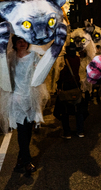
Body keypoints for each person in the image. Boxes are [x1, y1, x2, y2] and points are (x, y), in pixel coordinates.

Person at [0, 35, 49, 174]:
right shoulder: (10, 57)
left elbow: (42, 71)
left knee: (28, 131)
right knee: (21, 131)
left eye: (24, 40)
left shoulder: (34, 56)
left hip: (31, 98)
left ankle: (20, 160)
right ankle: (27, 162)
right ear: (14, 44)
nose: (22, 43)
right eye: (19, 41)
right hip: (16, 99)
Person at [54, 43, 87, 139]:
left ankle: (67, 132)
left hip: (66, 88)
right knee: (79, 111)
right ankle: (80, 131)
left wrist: (58, 87)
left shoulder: (64, 60)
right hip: (76, 86)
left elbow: (61, 75)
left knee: (65, 112)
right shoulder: (77, 59)